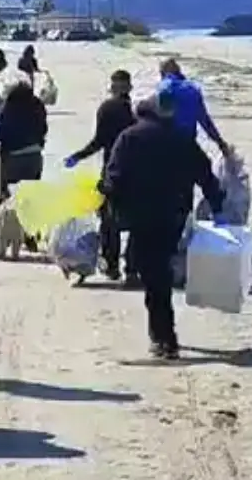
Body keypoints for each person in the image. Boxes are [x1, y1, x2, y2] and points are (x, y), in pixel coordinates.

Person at [101, 90, 226, 360]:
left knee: (152, 274)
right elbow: (205, 174)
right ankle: (163, 333)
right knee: (159, 268)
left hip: (141, 216)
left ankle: (164, 337)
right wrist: (217, 205)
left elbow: (115, 178)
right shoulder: (181, 139)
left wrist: (107, 195)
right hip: (174, 215)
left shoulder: (129, 138)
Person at [64, 69, 137, 283]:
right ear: (129, 87)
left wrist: (77, 156)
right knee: (135, 221)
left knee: (109, 221)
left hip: (112, 171)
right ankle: (132, 267)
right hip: (136, 172)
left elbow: (99, 141)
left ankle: (112, 265)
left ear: (113, 87)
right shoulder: (137, 111)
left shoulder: (107, 108)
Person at [157, 58, 231, 156]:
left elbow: (163, 118)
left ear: (162, 73)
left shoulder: (164, 86)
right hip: (188, 144)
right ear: (179, 71)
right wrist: (220, 143)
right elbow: (205, 121)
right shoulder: (193, 88)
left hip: (168, 144)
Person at [0, 79, 48, 204]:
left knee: (9, 197)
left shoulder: (8, 106)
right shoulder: (37, 103)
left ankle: (9, 220)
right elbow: (44, 128)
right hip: (34, 155)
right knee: (31, 196)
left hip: (12, 157)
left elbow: (1, 130)